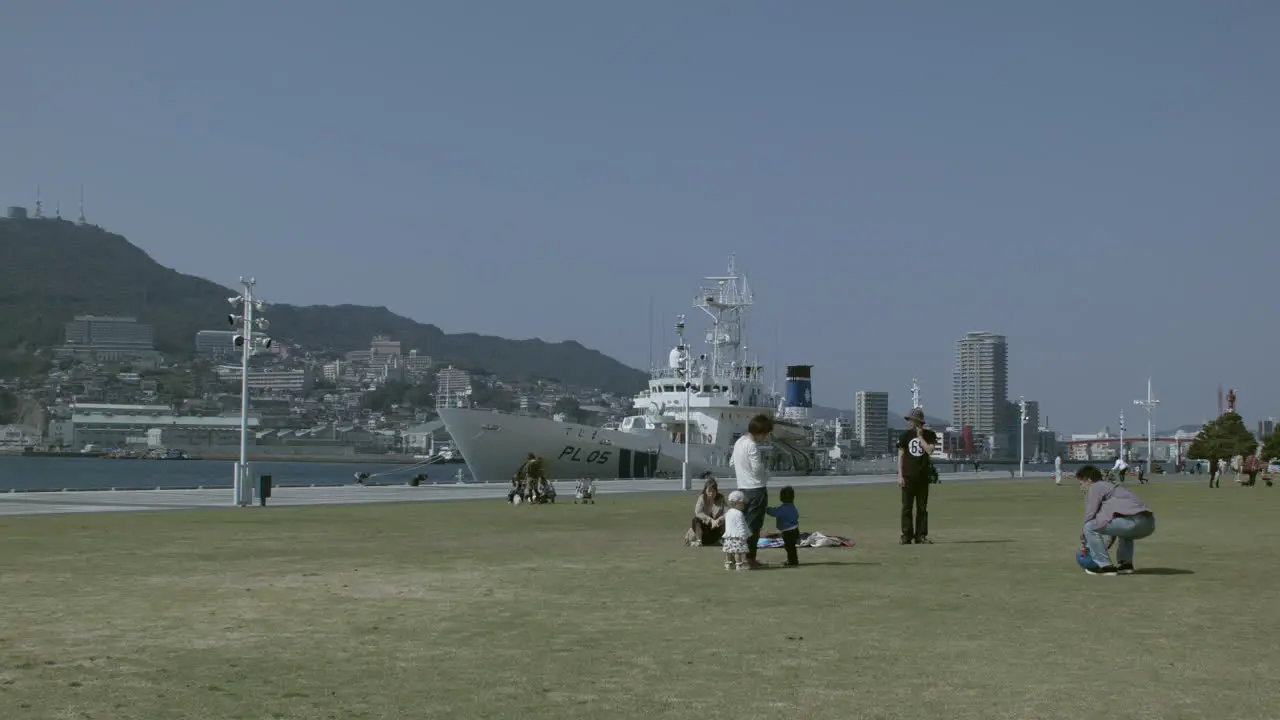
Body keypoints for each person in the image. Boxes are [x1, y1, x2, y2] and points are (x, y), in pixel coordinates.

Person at [1077, 464, 1156, 575]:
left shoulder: (1096, 487)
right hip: (1148, 524)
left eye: (1081, 483)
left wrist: (1084, 541)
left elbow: (1090, 514)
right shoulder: (1114, 488)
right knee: (1125, 532)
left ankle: (1105, 566)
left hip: (1130, 522)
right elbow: (1111, 531)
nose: (1081, 487)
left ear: (1088, 480)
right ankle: (1125, 565)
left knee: (1089, 526)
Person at [730, 413, 774, 568]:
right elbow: (757, 470)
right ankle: (750, 559)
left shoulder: (739, 442)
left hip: (742, 488)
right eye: (766, 434)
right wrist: (765, 467)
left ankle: (738, 557)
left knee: (743, 525)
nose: (766, 437)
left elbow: (732, 462)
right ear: (761, 432)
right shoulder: (752, 445)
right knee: (753, 527)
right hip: (756, 489)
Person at [898, 408, 937, 544]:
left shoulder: (930, 435)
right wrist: (900, 476)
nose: (912, 423)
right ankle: (906, 535)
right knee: (906, 507)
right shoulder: (904, 436)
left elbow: (930, 450)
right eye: (911, 420)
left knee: (922, 507)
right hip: (908, 476)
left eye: (914, 421)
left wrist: (920, 437)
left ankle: (920, 535)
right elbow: (901, 456)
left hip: (923, 476)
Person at [765, 485, 801, 567]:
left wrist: (766, 509)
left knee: (789, 547)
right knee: (791, 547)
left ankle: (792, 561)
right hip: (795, 529)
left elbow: (774, 512)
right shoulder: (793, 507)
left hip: (788, 531)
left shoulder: (782, 508)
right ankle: (792, 560)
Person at [690, 473, 726, 546]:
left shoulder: (720, 498)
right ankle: (699, 540)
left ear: (716, 491)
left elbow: (728, 512)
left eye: (714, 491)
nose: (711, 493)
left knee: (728, 520)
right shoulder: (702, 498)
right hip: (705, 528)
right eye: (709, 491)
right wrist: (711, 520)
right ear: (705, 491)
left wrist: (719, 519)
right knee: (695, 520)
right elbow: (698, 512)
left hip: (717, 527)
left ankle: (723, 539)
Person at [722, 490, 750, 571]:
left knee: (729, 551)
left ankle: (728, 564)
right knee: (737, 552)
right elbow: (741, 525)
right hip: (737, 537)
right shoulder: (739, 513)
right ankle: (739, 564)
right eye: (742, 503)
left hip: (728, 536)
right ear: (735, 503)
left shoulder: (728, 513)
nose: (744, 505)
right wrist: (744, 535)